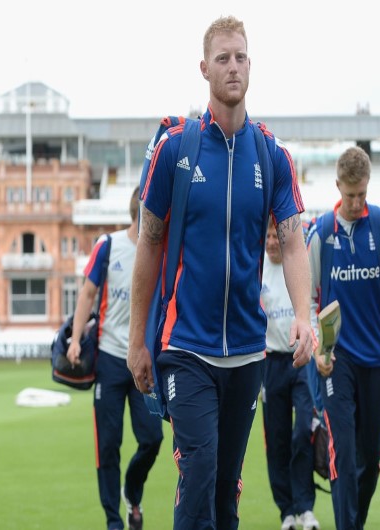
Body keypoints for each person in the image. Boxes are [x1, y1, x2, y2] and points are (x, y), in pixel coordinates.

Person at [127, 15, 313, 530]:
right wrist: (137, 341)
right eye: (223, 58)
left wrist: (304, 315)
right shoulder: (175, 149)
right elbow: (150, 243)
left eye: (241, 57)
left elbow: (294, 239)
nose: (233, 67)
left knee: (227, 494)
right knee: (200, 472)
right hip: (186, 347)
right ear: (204, 68)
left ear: (251, 66)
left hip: (248, 352)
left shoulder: (271, 154)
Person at [307, 146, 380, 529]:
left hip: (377, 361)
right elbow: (307, 302)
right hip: (336, 363)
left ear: (368, 186)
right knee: (342, 453)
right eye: (349, 194)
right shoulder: (321, 234)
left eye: (362, 194)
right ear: (338, 185)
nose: (356, 202)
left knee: (370, 460)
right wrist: (318, 350)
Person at [67, 186, 163, 530]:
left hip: (144, 360)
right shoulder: (108, 246)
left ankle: (132, 493)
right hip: (108, 358)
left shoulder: (160, 251)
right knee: (107, 446)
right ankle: (113, 522)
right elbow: (88, 293)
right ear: (137, 213)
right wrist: (75, 339)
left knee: (152, 439)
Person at [260, 218, 320, 530]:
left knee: (302, 434)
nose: (272, 241)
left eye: (275, 235)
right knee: (278, 438)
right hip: (271, 364)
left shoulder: (298, 264)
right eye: (267, 235)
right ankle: (287, 512)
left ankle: (306, 507)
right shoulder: (257, 271)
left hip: (301, 362)